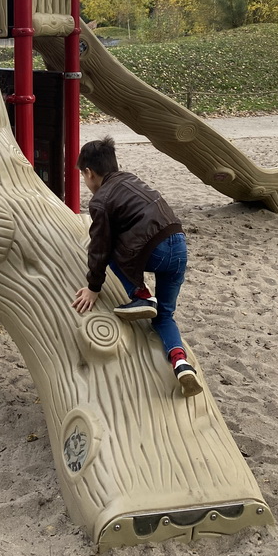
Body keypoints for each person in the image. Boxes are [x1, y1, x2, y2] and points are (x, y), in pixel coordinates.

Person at [71, 136, 203, 398]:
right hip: (179, 245)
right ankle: (180, 363)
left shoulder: (100, 200)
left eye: (83, 177)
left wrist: (93, 287)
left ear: (89, 172)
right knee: (164, 317)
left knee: (105, 245)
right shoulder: (130, 179)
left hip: (154, 249)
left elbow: (99, 248)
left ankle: (141, 294)